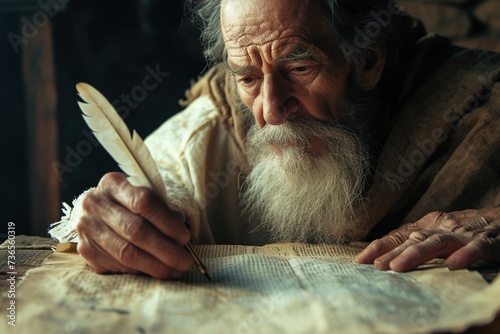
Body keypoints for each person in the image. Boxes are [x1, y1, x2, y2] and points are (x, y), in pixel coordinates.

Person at [49, 0, 500, 280]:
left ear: (366, 60)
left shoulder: (484, 109)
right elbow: (163, 177)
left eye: (299, 68)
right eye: (248, 76)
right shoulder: (228, 107)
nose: (269, 109)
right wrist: (122, 215)